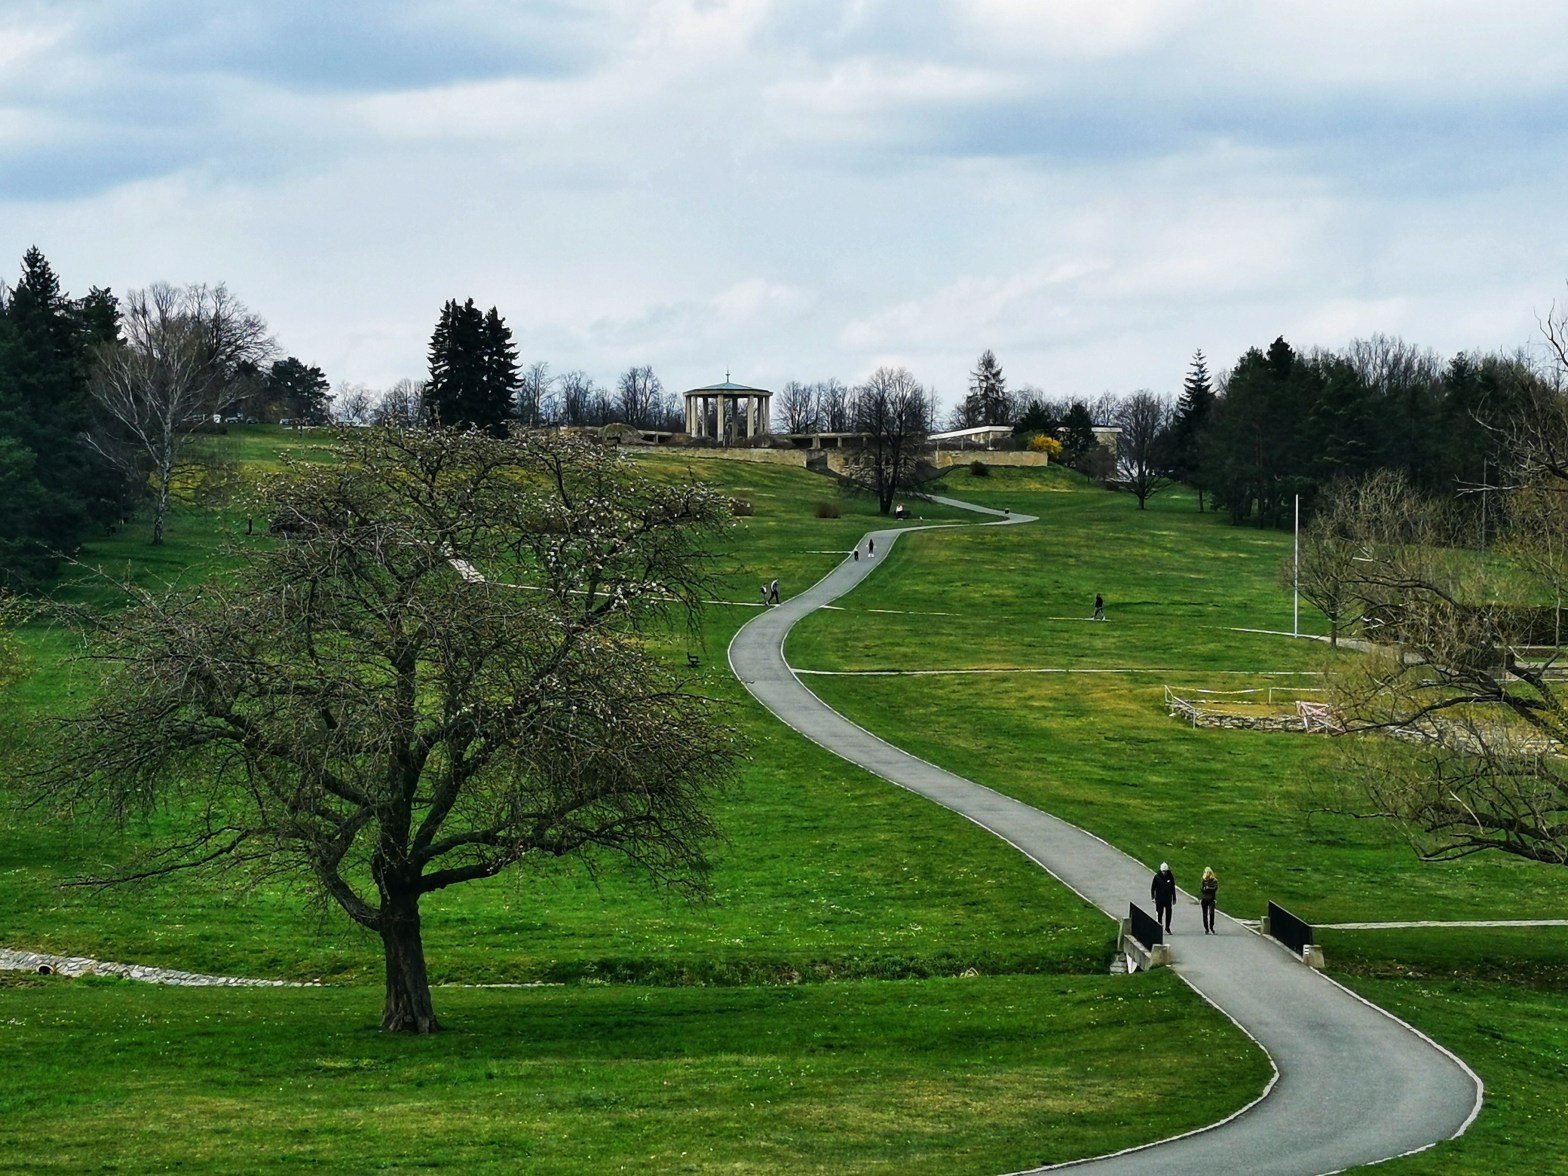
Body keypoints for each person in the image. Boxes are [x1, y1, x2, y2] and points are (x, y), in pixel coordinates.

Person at [1151, 862, 1176, 933]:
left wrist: (1174, 898)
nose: (1164, 873)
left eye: (1165, 871)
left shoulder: (1170, 877)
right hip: (1159, 899)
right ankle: (1159, 927)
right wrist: (1153, 897)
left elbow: (1172, 888)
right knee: (1160, 914)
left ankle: (1167, 927)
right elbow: (1153, 888)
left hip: (1168, 899)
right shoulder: (1157, 877)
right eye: (1163, 871)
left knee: (1168, 913)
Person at [1200, 867, 1218, 934]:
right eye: (1206, 872)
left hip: (1211, 899)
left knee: (1211, 913)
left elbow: (1215, 888)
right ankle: (1206, 928)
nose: (1207, 874)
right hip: (1204, 899)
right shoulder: (1204, 880)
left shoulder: (1214, 880)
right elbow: (1202, 889)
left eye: (1208, 872)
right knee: (1204, 915)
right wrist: (1205, 889)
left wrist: (1208, 888)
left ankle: (1211, 927)